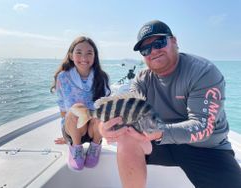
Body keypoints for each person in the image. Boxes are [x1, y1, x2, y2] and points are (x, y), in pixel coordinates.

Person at [98, 20, 241, 188]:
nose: (153, 51)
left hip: (207, 149)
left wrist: (160, 133)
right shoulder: (143, 79)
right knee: (126, 137)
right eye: (146, 49)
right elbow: (125, 110)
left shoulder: (202, 72)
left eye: (159, 43)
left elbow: (203, 127)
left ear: (174, 41)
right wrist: (104, 127)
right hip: (159, 142)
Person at [51, 36, 111, 171]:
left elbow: (107, 105)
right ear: (71, 55)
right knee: (77, 108)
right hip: (74, 129)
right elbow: (61, 104)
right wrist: (67, 133)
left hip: (93, 131)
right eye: (79, 52)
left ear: (95, 56)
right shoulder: (62, 77)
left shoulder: (102, 77)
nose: (84, 57)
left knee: (99, 112)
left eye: (89, 53)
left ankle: (95, 146)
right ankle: (76, 148)